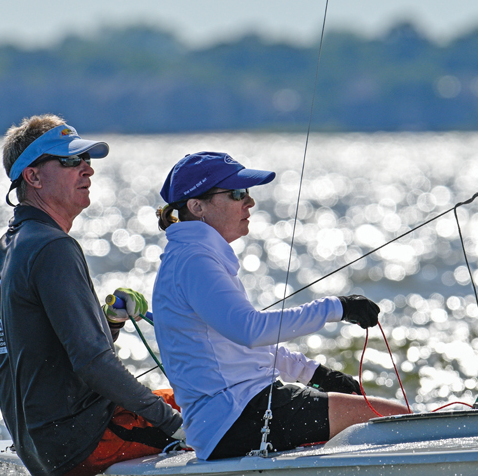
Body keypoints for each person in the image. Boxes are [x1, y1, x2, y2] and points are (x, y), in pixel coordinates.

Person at [151, 151, 410, 461]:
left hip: (234, 417)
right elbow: (251, 331)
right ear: (197, 206)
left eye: (247, 192)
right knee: (392, 418)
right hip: (238, 418)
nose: (249, 202)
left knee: (384, 416)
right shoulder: (196, 261)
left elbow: (238, 349)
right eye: (236, 194)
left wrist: (315, 373)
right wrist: (337, 308)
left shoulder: (193, 256)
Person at [0, 114, 184, 476]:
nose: (87, 169)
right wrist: (172, 423)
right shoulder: (53, 247)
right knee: (217, 408)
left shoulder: (8, 247)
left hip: (43, 444)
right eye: (70, 161)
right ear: (33, 176)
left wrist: (108, 322)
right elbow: (93, 364)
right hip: (83, 442)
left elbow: (57, 355)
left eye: (86, 160)